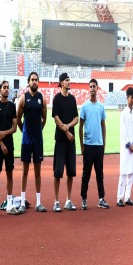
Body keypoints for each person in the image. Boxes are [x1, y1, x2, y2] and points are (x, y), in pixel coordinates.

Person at [16, 71, 47, 213]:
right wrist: (25, 132)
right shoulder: (24, 98)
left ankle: (38, 202)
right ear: (28, 82)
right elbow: (18, 119)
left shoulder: (42, 98)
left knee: (38, 171)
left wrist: (38, 131)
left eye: (36, 79)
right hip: (26, 141)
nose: (34, 81)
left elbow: (44, 119)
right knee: (25, 171)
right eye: (32, 79)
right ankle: (22, 202)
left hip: (38, 141)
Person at [0, 81, 19, 216]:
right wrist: (1, 144)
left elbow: (15, 127)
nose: (6, 90)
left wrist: (5, 134)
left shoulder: (12, 106)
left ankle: (9, 204)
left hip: (10, 145)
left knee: (9, 174)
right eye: (4, 88)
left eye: (8, 88)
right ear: (0, 90)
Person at [79, 79, 108, 210]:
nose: (92, 88)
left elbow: (103, 125)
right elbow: (80, 126)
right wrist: (82, 145)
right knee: (86, 173)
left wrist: (104, 143)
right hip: (88, 145)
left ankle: (101, 198)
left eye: (94, 86)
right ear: (89, 89)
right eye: (90, 86)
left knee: (99, 174)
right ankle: (84, 199)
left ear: (97, 88)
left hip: (98, 146)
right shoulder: (85, 106)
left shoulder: (101, 107)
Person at [52, 73, 79, 212]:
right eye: (67, 80)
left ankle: (68, 200)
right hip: (61, 140)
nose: (69, 82)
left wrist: (68, 126)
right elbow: (56, 119)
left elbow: (76, 118)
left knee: (71, 171)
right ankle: (56, 201)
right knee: (58, 171)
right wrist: (67, 131)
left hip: (71, 140)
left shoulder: (72, 99)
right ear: (61, 83)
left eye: (69, 80)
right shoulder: (56, 99)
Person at [117, 87, 133, 207]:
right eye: (131, 97)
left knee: (131, 172)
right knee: (123, 172)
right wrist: (129, 144)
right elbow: (123, 132)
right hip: (126, 147)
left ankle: (127, 197)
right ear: (127, 98)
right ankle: (119, 198)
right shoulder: (123, 114)